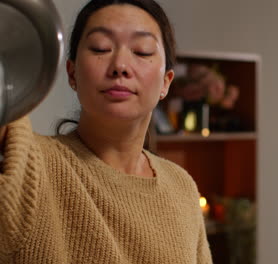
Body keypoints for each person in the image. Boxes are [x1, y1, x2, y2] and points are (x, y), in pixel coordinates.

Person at [0, 0, 212, 263]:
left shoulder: (182, 188)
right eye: (101, 47)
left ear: (166, 83)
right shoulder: (29, 163)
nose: (120, 65)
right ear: (72, 72)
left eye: (142, 51)